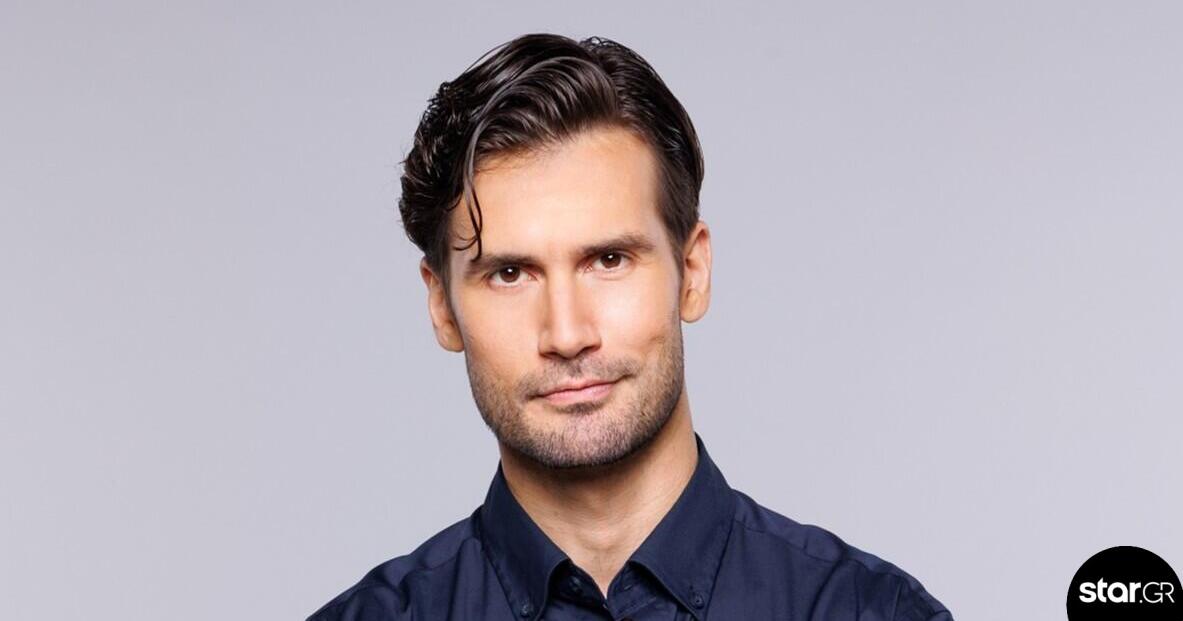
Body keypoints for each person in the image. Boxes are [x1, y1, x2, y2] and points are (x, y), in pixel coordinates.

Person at [308, 33, 953, 621]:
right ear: (443, 307)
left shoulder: (872, 613)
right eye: (510, 274)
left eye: (609, 260)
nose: (567, 334)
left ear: (692, 272)